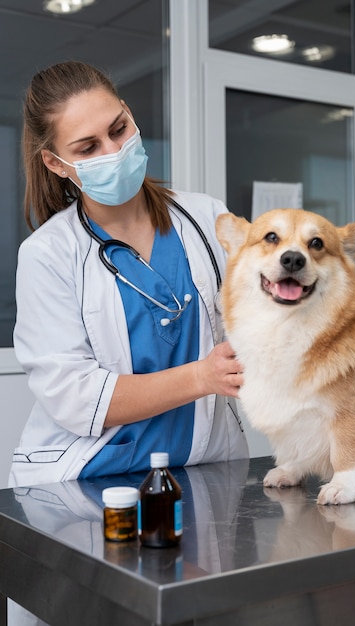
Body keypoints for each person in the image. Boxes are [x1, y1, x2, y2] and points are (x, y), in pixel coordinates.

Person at [9, 60, 249, 489]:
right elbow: (75, 397)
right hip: (91, 479)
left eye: (118, 129)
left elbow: (260, 318)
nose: (113, 151)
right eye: (88, 148)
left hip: (201, 471)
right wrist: (201, 377)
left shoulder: (206, 216)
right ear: (56, 162)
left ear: (128, 113)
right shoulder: (48, 254)